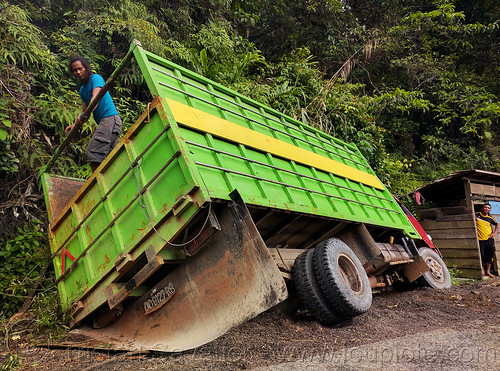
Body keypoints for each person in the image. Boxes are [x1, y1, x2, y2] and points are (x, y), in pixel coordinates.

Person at [65, 55, 122, 172]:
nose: (78, 72)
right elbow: (86, 113)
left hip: (110, 119)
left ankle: (95, 184)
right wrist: (75, 125)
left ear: (86, 67)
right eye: (75, 70)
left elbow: (95, 99)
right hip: (106, 122)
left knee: (93, 151)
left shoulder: (96, 78)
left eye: (80, 68)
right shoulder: (82, 89)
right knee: (109, 158)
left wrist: (83, 115)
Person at [475, 203, 499, 278]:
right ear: (482, 208)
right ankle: (482, 271)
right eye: (485, 207)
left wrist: (494, 233)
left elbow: (497, 224)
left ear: (490, 210)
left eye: (488, 208)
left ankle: (488, 271)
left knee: (490, 255)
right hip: (480, 240)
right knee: (481, 255)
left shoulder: (490, 218)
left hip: (488, 240)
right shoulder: (477, 215)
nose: (487, 209)